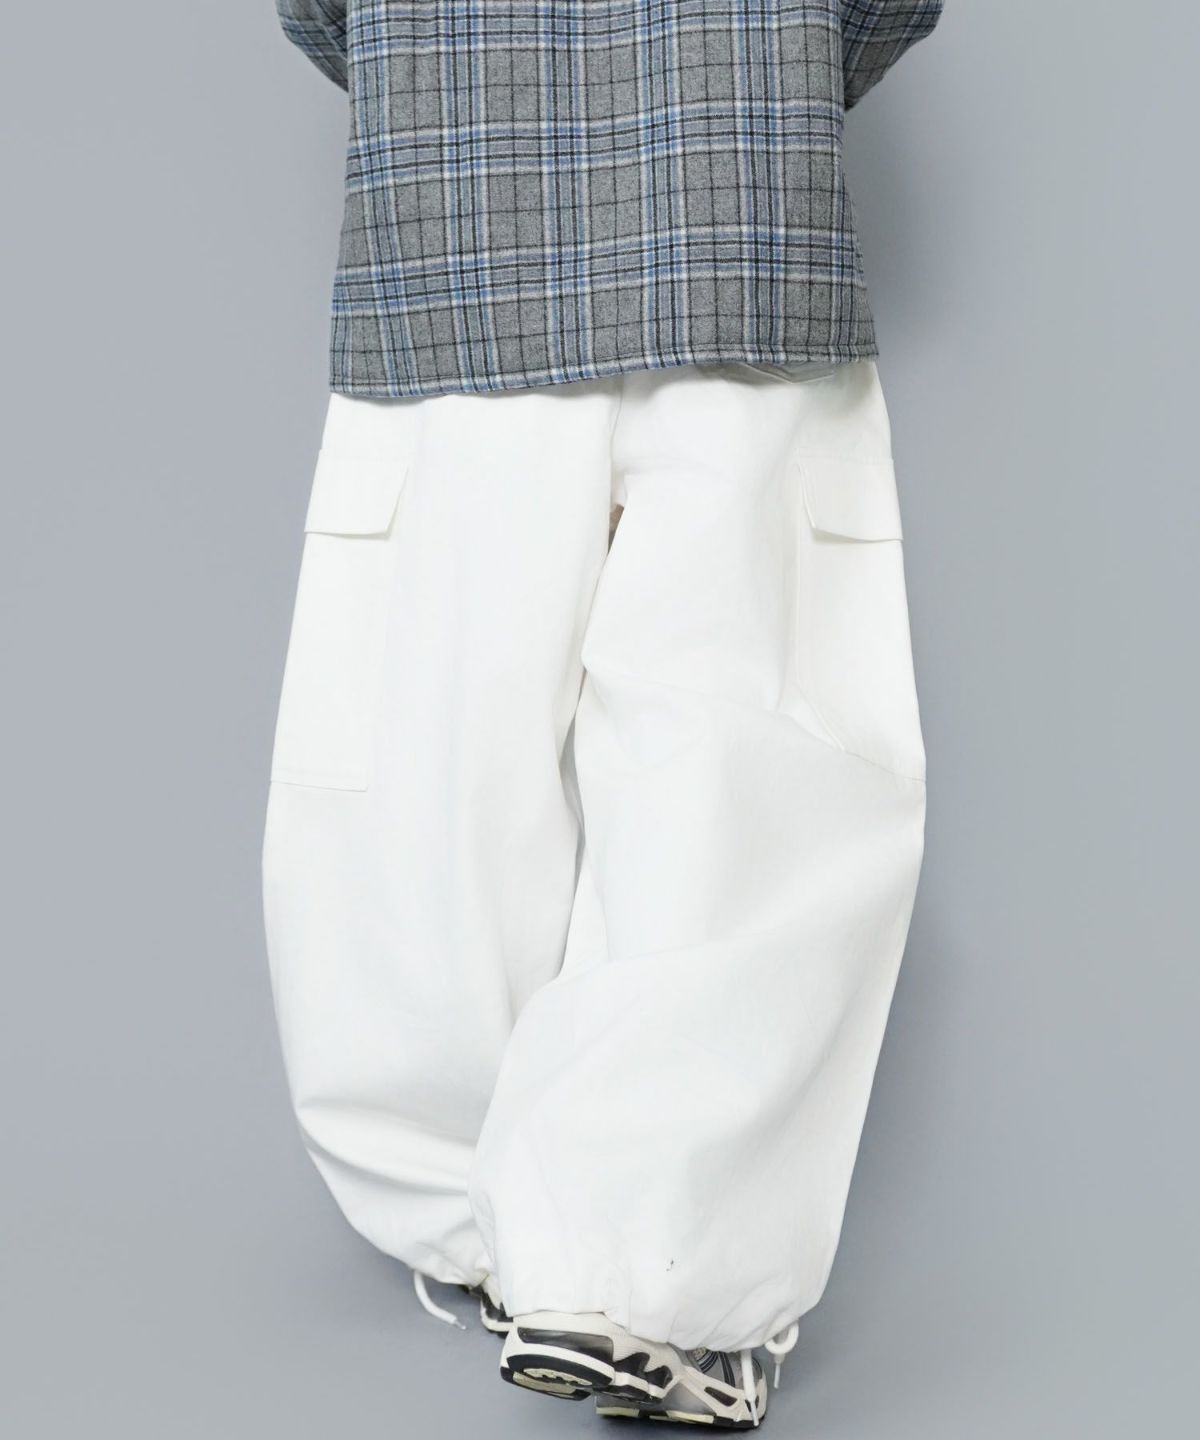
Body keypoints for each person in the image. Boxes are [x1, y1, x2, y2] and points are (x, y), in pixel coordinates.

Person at [266, 1, 943, 1429]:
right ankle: (633, 1274)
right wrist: (766, 76)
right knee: (749, 779)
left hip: (446, 238)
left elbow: (315, 9)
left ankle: (475, 1216)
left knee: (426, 779)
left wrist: (436, 77)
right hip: (744, 227)